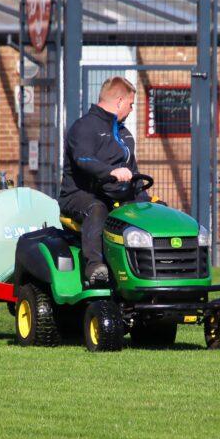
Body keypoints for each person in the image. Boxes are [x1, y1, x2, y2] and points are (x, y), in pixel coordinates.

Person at [59, 76, 148, 285]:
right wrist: (111, 172)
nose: (131, 109)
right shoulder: (83, 128)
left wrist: (145, 200)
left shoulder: (125, 135)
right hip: (79, 196)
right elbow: (84, 160)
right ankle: (95, 267)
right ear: (119, 101)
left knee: (150, 210)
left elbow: (133, 174)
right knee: (97, 208)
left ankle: (152, 269)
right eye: (131, 104)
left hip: (115, 195)